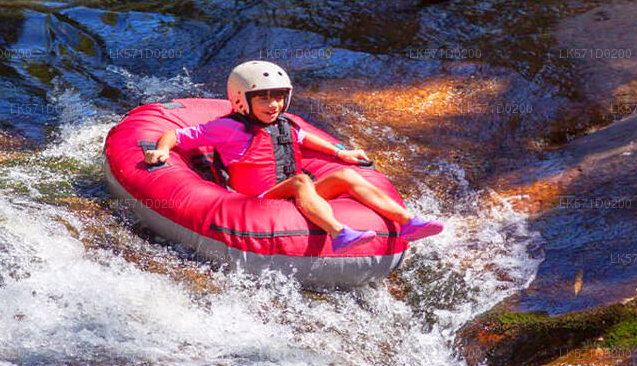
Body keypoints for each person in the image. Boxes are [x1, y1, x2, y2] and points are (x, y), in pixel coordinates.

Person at [142, 60, 443, 252]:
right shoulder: (226, 128)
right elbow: (179, 135)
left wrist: (342, 152)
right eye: (263, 98)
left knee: (344, 176)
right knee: (301, 181)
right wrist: (163, 149)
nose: (273, 105)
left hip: (287, 193)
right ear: (241, 100)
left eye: (278, 97)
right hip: (257, 201)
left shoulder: (283, 124)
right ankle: (338, 233)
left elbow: (306, 138)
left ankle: (406, 221)